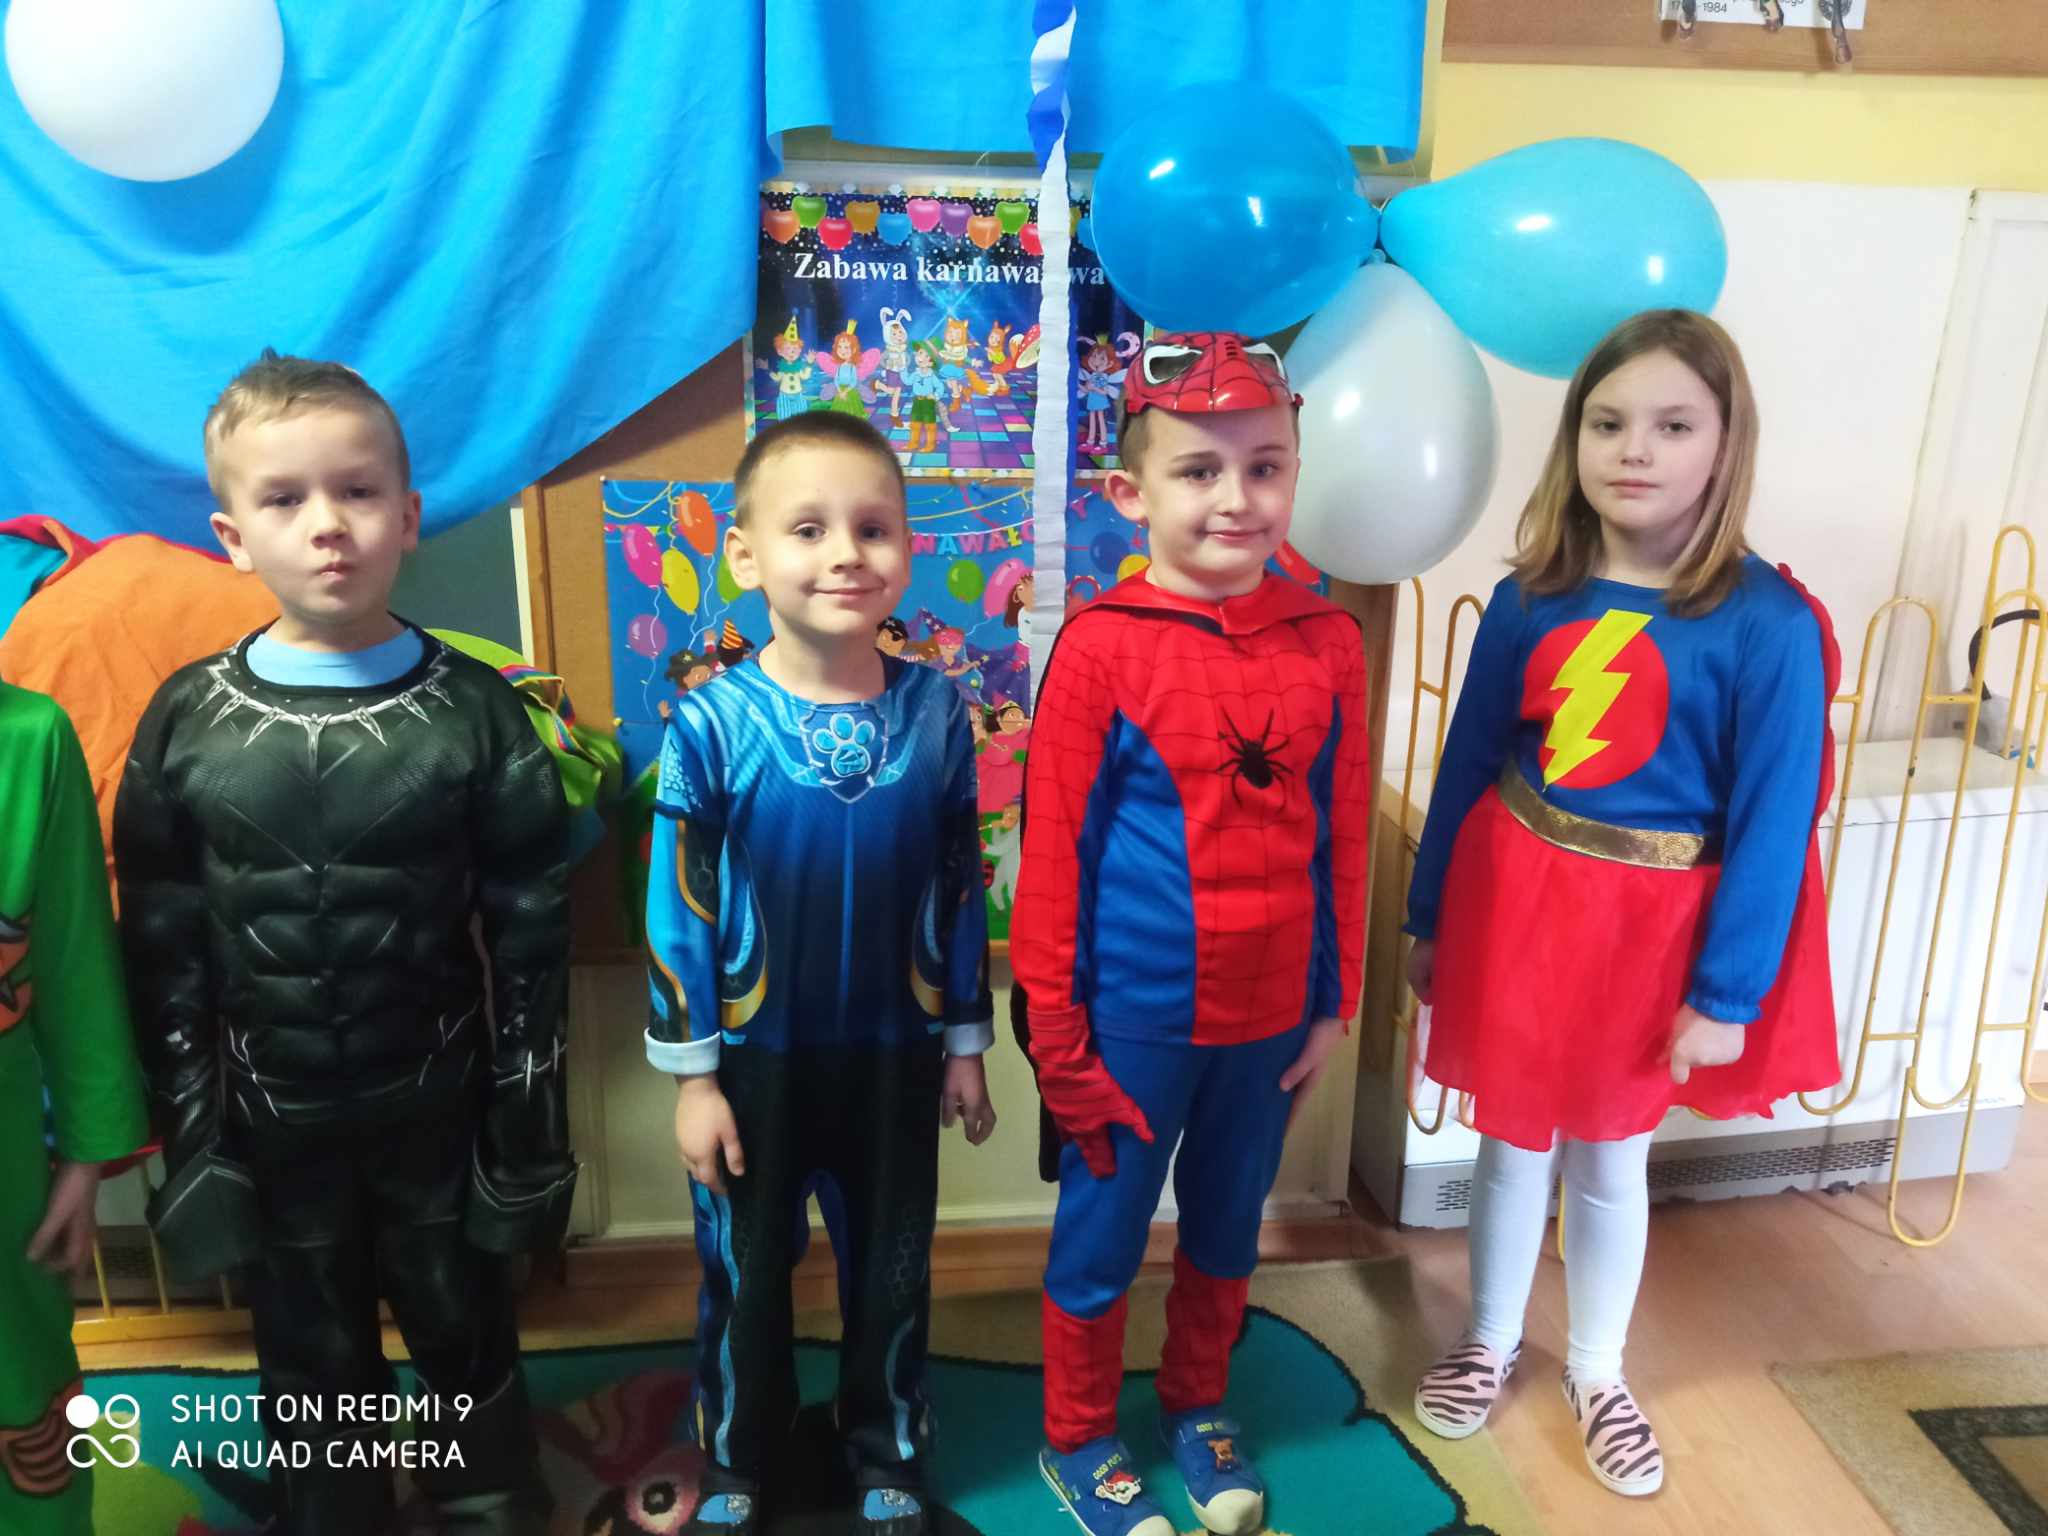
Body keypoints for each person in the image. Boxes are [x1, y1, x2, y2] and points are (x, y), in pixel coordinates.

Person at [116, 351, 574, 1536]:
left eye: (358, 492)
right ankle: (336, 1506)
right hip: (271, 1125)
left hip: (439, 1108)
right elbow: (162, 938)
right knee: (311, 1354)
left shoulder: (478, 711)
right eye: (284, 499)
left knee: (464, 1331)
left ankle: (486, 1501)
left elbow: (531, 933)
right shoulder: (186, 718)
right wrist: (190, 1133)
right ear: (232, 536)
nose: (327, 525)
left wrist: (528, 1133)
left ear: (407, 516)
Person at [1404, 310, 1840, 1497]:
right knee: (1507, 1141)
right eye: (1606, 423)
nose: (1633, 449)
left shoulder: (1765, 624)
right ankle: (1487, 1337)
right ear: (1573, 439)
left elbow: (1772, 822)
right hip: (1517, 911)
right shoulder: (1529, 598)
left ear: (1724, 443)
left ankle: (1596, 1370)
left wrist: (1727, 994)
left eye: (1671, 425)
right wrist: (1429, 916)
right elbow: (1467, 763)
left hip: (1649, 941)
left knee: (1606, 1157)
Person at [1012, 332, 1370, 1536]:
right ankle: (1076, 1434)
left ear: (1294, 472)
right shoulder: (1100, 645)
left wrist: (1334, 1001)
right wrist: (1057, 1037)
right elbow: (1051, 857)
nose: (1234, 497)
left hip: (1266, 1022)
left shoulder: (1329, 642)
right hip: (1132, 1021)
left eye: (1264, 467)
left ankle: (1197, 1402)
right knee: (1102, 1237)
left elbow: (1341, 837)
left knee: (1225, 1226)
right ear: (1130, 493)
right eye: (1198, 470)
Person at [645, 410, 997, 1535]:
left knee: (891, 1267)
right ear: (745, 555)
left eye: (872, 528)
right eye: (808, 529)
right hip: (756, 1063)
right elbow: (680, 908)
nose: (845, 553)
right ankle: (737, 1457)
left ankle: (885, 1445)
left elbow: (959, 881)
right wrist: (694, 1079)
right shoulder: (710, 724)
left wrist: (965, 1044)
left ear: (906, 548)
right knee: (745, 1272)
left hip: (895, 1055)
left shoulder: (936, 712)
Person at [0, 681, 150, 1536]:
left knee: (22, 1385)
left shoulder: (31, 736)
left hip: (4, 1158)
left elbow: (75, 963)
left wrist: (87, 1161)